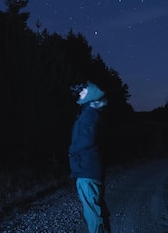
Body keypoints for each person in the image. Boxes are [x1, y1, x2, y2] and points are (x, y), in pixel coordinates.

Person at [68, 81, 109, 233]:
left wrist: (72, 151)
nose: (80, 93)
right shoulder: (89, 112)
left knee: (92, 213)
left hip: (87, 169)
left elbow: (86, 140)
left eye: (83, 91)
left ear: (91, 93)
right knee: (95, 208)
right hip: (88, 168)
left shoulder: (90, 114)